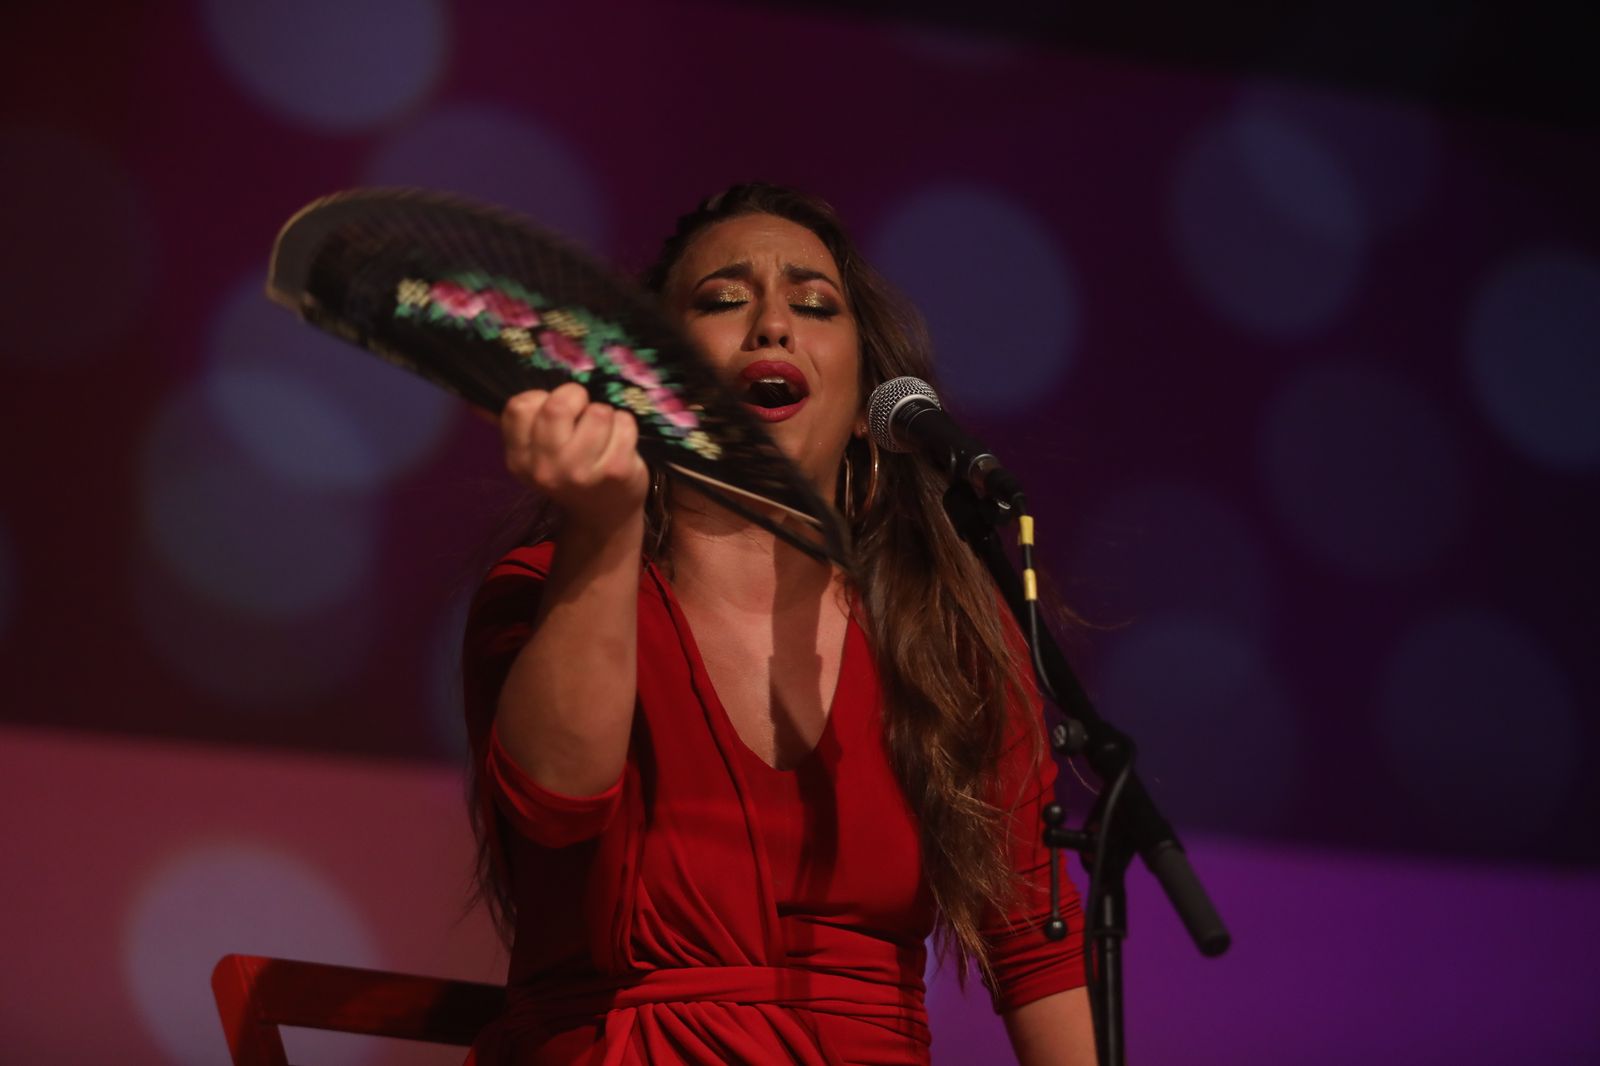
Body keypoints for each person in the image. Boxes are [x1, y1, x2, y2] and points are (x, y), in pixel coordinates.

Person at [461, 184, 1094, 1065]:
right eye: (722, 300)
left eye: (815, 305)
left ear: (870, 403)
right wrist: (601, 525)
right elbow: (554, 805)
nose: (771, 325)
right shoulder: (542, 587)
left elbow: (1036, 950)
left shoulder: (946, 631)